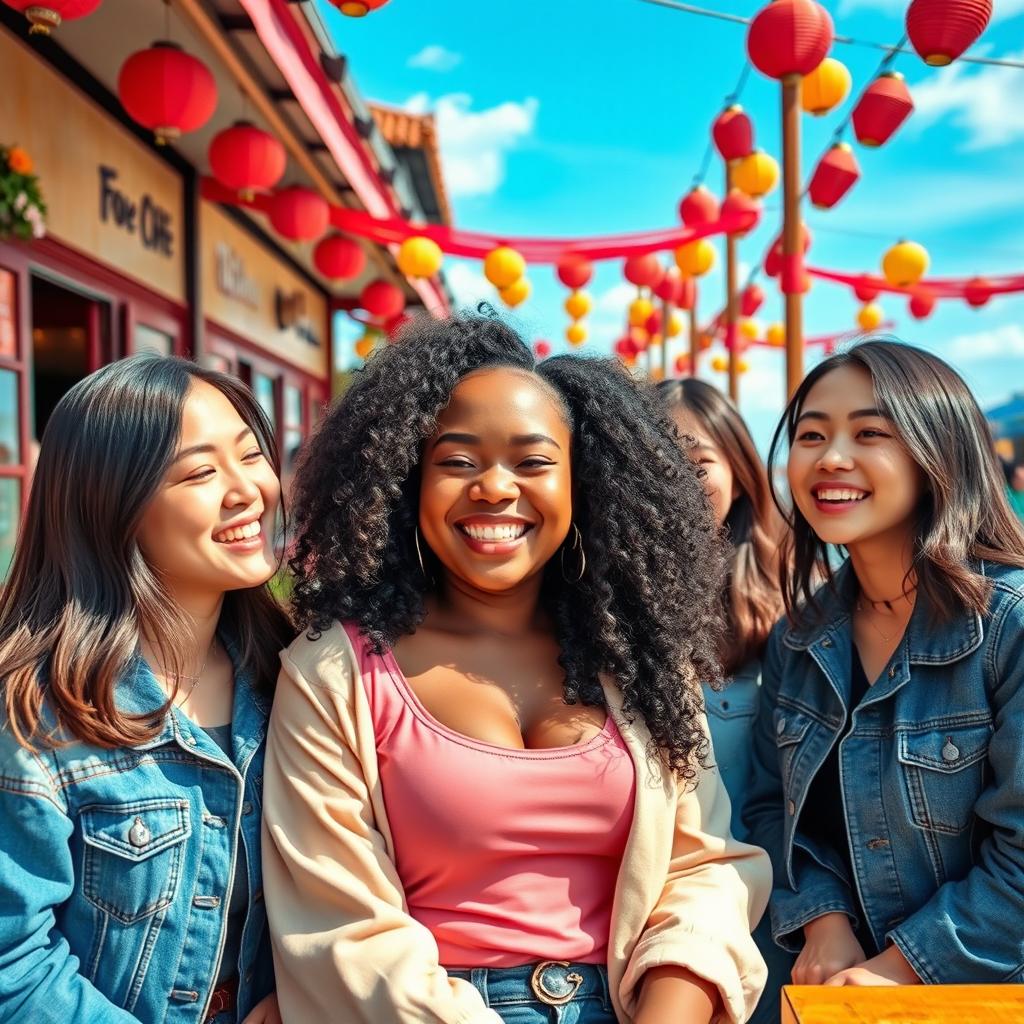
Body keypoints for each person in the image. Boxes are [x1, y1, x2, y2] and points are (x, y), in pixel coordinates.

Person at [263, 312, 771, 1024]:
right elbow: (341, 927)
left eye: (532, 462)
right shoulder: (333, 674)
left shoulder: (638, 659)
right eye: (458, 461)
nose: (495, 488)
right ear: (408, 482)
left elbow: (704, 867)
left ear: (582, 485)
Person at [0, 355, 292, 1024]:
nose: (248, 489)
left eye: (251, 455)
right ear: (113, 503)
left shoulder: (293, 678)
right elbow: (13, 967)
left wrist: (302, 992)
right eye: (200, 472)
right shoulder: (38, 712)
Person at [745, 339, 1024, 988]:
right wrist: (824, 919)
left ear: (938, 451)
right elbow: (768, 810)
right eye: (810, 435)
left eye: (870, 431)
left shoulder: (1008, 626)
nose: (831, 458)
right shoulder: (797, 640)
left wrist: (899, 970)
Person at [657, 379, 794, 1022]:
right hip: (645, 922)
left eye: (698, 457)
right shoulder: (589, 607)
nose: (677, 475)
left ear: (739, 471)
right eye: (655, 455)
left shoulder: (792, 609)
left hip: (764, 913)